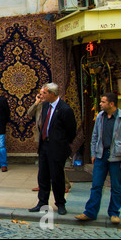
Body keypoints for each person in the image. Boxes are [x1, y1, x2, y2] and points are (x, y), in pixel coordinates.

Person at [28, 83, 76, 215]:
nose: (41, 95)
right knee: (43, 175)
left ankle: (60, 203)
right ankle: (42, 202)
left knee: (57, 177)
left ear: (52, 94)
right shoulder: (44, 106)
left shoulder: (64, 109)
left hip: (57, 147)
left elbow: (71, 130)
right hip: (44, 146)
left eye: (44, 93)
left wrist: (62, 144)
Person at [75, 93, 121, 224]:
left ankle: (114, 213)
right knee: (96, 185)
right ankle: (90, 212)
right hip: (101, 155)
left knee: (116, 186)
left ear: (111, 104)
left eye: (103, 102)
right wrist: (93, 153)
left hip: (116, 155)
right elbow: (94, 136)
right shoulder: (100, 117)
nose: (100, 104)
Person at [27, 90, 72, 193]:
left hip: (52, 137)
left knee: (55, 161)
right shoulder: (40, 105)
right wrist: (36, 102)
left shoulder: (54, 106)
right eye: (41, 94)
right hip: (41, 136)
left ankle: (65, 184)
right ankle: (42, 184)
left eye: (43, 94)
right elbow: (29, 113)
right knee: (43, 162)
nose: (41, 96)